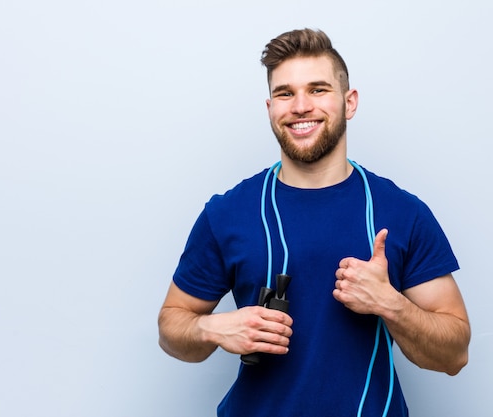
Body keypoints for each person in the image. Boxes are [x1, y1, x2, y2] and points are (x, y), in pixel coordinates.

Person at [158, 28, 470, 417]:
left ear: (349, 101)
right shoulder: (227, 213)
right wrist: (212, 329)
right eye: (286, 93)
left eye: (318, 89)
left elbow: (455, 355)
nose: (300, 106)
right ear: (270, 107)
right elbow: (171, 326)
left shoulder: (402, 213)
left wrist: (392, 305)